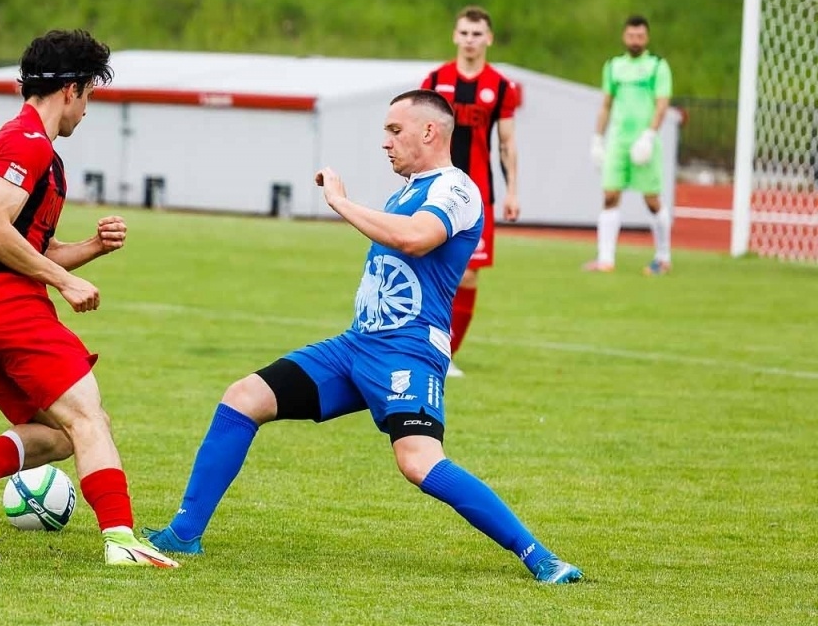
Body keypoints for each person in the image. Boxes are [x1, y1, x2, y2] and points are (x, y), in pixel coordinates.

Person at [144, 90, 582, 584]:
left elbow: (415, 238)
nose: (385, 142)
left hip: (407, 352)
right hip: (356, 346)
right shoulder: (407, 190)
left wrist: (341, 202)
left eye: (395, 130)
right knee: (244, 398)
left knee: (418, 462)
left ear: (429, 132)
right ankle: (184, 534)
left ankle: (540, 556)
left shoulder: (457, 189)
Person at [0, 29, 178, 569]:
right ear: (71, 89)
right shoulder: (27, 142)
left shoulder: (28, 146)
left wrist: (91, 248)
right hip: (2, 306)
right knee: (90, 417)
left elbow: (26, 246)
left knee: (61, 433)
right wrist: (64, 283)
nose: (87, 110)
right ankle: (121, 538)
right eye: (89, 95)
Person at [421, 6, 521, 377]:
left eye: (477, 34)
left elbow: (507, 143)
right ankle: (418, 345)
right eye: (464, 33)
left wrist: (513, 191)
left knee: (467, 275)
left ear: (488, 39)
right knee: (426, 267)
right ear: (455, 36)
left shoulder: (500, 86)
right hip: (436, 189)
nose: (470, 40)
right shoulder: (436, 79)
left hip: (478, 193)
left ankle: (445, 355)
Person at [587, 15, 673, 275]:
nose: (635, 40)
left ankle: (663, 257)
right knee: (610, 195)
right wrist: (598, 138)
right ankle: (605, 258)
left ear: (647, 38)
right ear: (624, 36)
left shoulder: (657, 66)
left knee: (651, 199)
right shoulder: (614, 66)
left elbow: (661, 105)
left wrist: (649, 135)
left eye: (640, 36)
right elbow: (606, 104)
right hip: (618, 140)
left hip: (644, 140)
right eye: (631, 35)